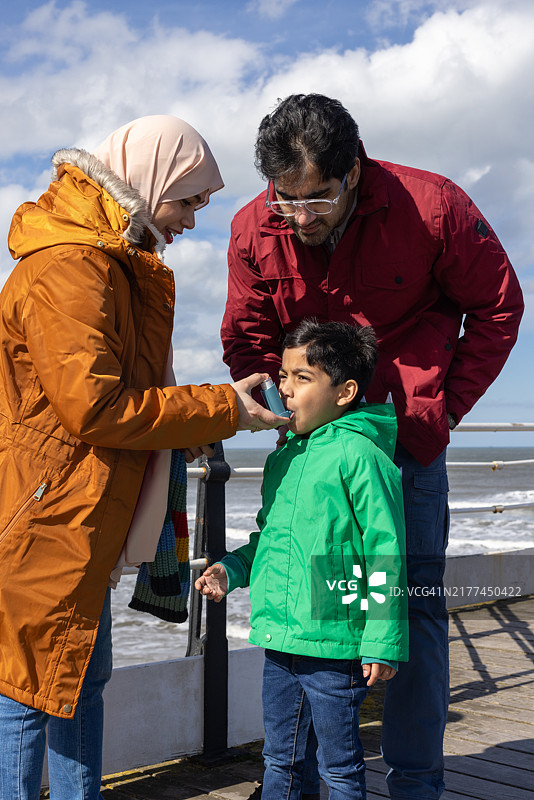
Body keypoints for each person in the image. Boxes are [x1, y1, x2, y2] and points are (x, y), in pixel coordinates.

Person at [220, 94, 524, 799]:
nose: (300, 216)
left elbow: (500, 306)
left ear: (353, 170)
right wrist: (280, 416)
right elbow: (248, 341)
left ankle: (414, 786)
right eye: (285, 199)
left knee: (409, 608)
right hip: (307, 457)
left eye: (317, 197)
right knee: (308, 605)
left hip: (408, 447)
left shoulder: (435, 206)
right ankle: (301, 782)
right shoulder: (250, 227)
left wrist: (441, 411)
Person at [0, 115, 287, 800]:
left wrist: (213, 412)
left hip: (75, 510)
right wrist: (221, 409)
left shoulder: (106, 260)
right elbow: (95, 410)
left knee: (72, 683)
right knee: (26, 693)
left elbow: (118, 404)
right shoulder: (71, 266)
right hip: (48, 516)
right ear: (146, 179)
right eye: (187, 200)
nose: (192, 220)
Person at [197, 319, 409, 800]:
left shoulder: (361, 455)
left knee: (339, 768)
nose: (285, 390)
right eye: (284, 376)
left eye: (302, 378)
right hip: (281, 639)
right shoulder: (283, 458)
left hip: (336, 646)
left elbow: (386, 553)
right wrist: (230, 569)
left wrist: (382, 642)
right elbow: (270, 539)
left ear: (345, 391)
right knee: (280, 759)